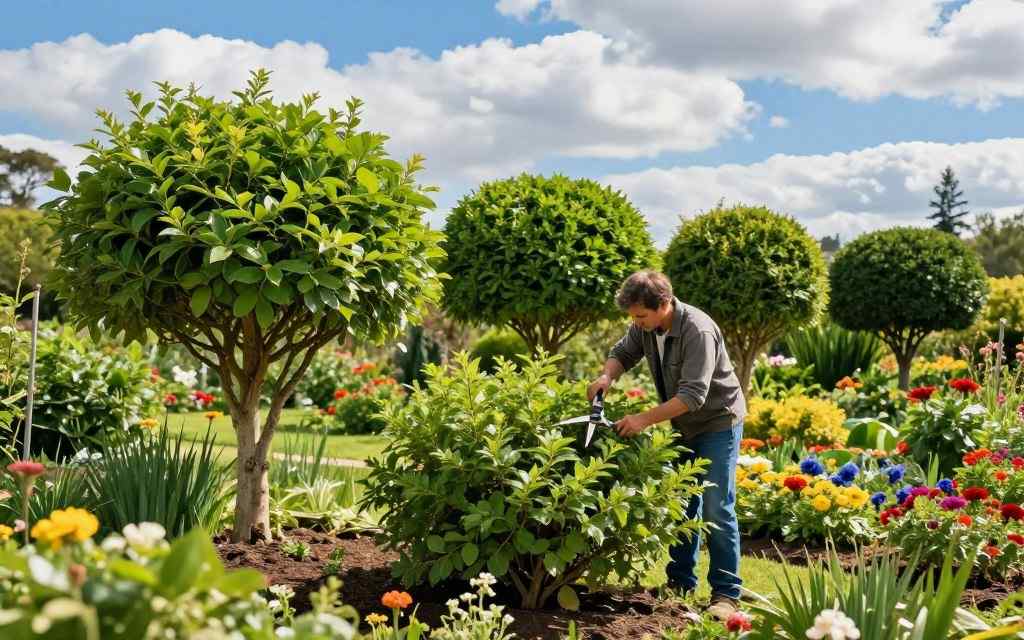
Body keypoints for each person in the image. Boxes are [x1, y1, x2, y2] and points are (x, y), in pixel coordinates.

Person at [588, 270, 746, 619]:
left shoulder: (697, 330)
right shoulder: (645, 325)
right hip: (682, 425)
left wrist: (642, 419)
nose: (636, 323)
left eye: (640, 316)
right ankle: (680, 583)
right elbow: (623, 352)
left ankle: (726, 595)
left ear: (663, 304)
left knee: (717, 506)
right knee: (680, 501)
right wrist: (606, 376)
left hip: (717, 422)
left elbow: (693, 396)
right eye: (632, 317)